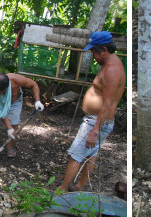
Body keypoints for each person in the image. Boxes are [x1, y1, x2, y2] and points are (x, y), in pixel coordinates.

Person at [57, 31, 126, 192]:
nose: (93, 55)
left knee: (75, 155)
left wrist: (95, 130)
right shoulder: (110, 65)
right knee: (90, 154)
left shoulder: (111, 70)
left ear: (104, 49)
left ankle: (62, 189)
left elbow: (108, 104)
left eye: (94, 52)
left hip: (97, 121)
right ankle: (80, 185)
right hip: (98, 120)